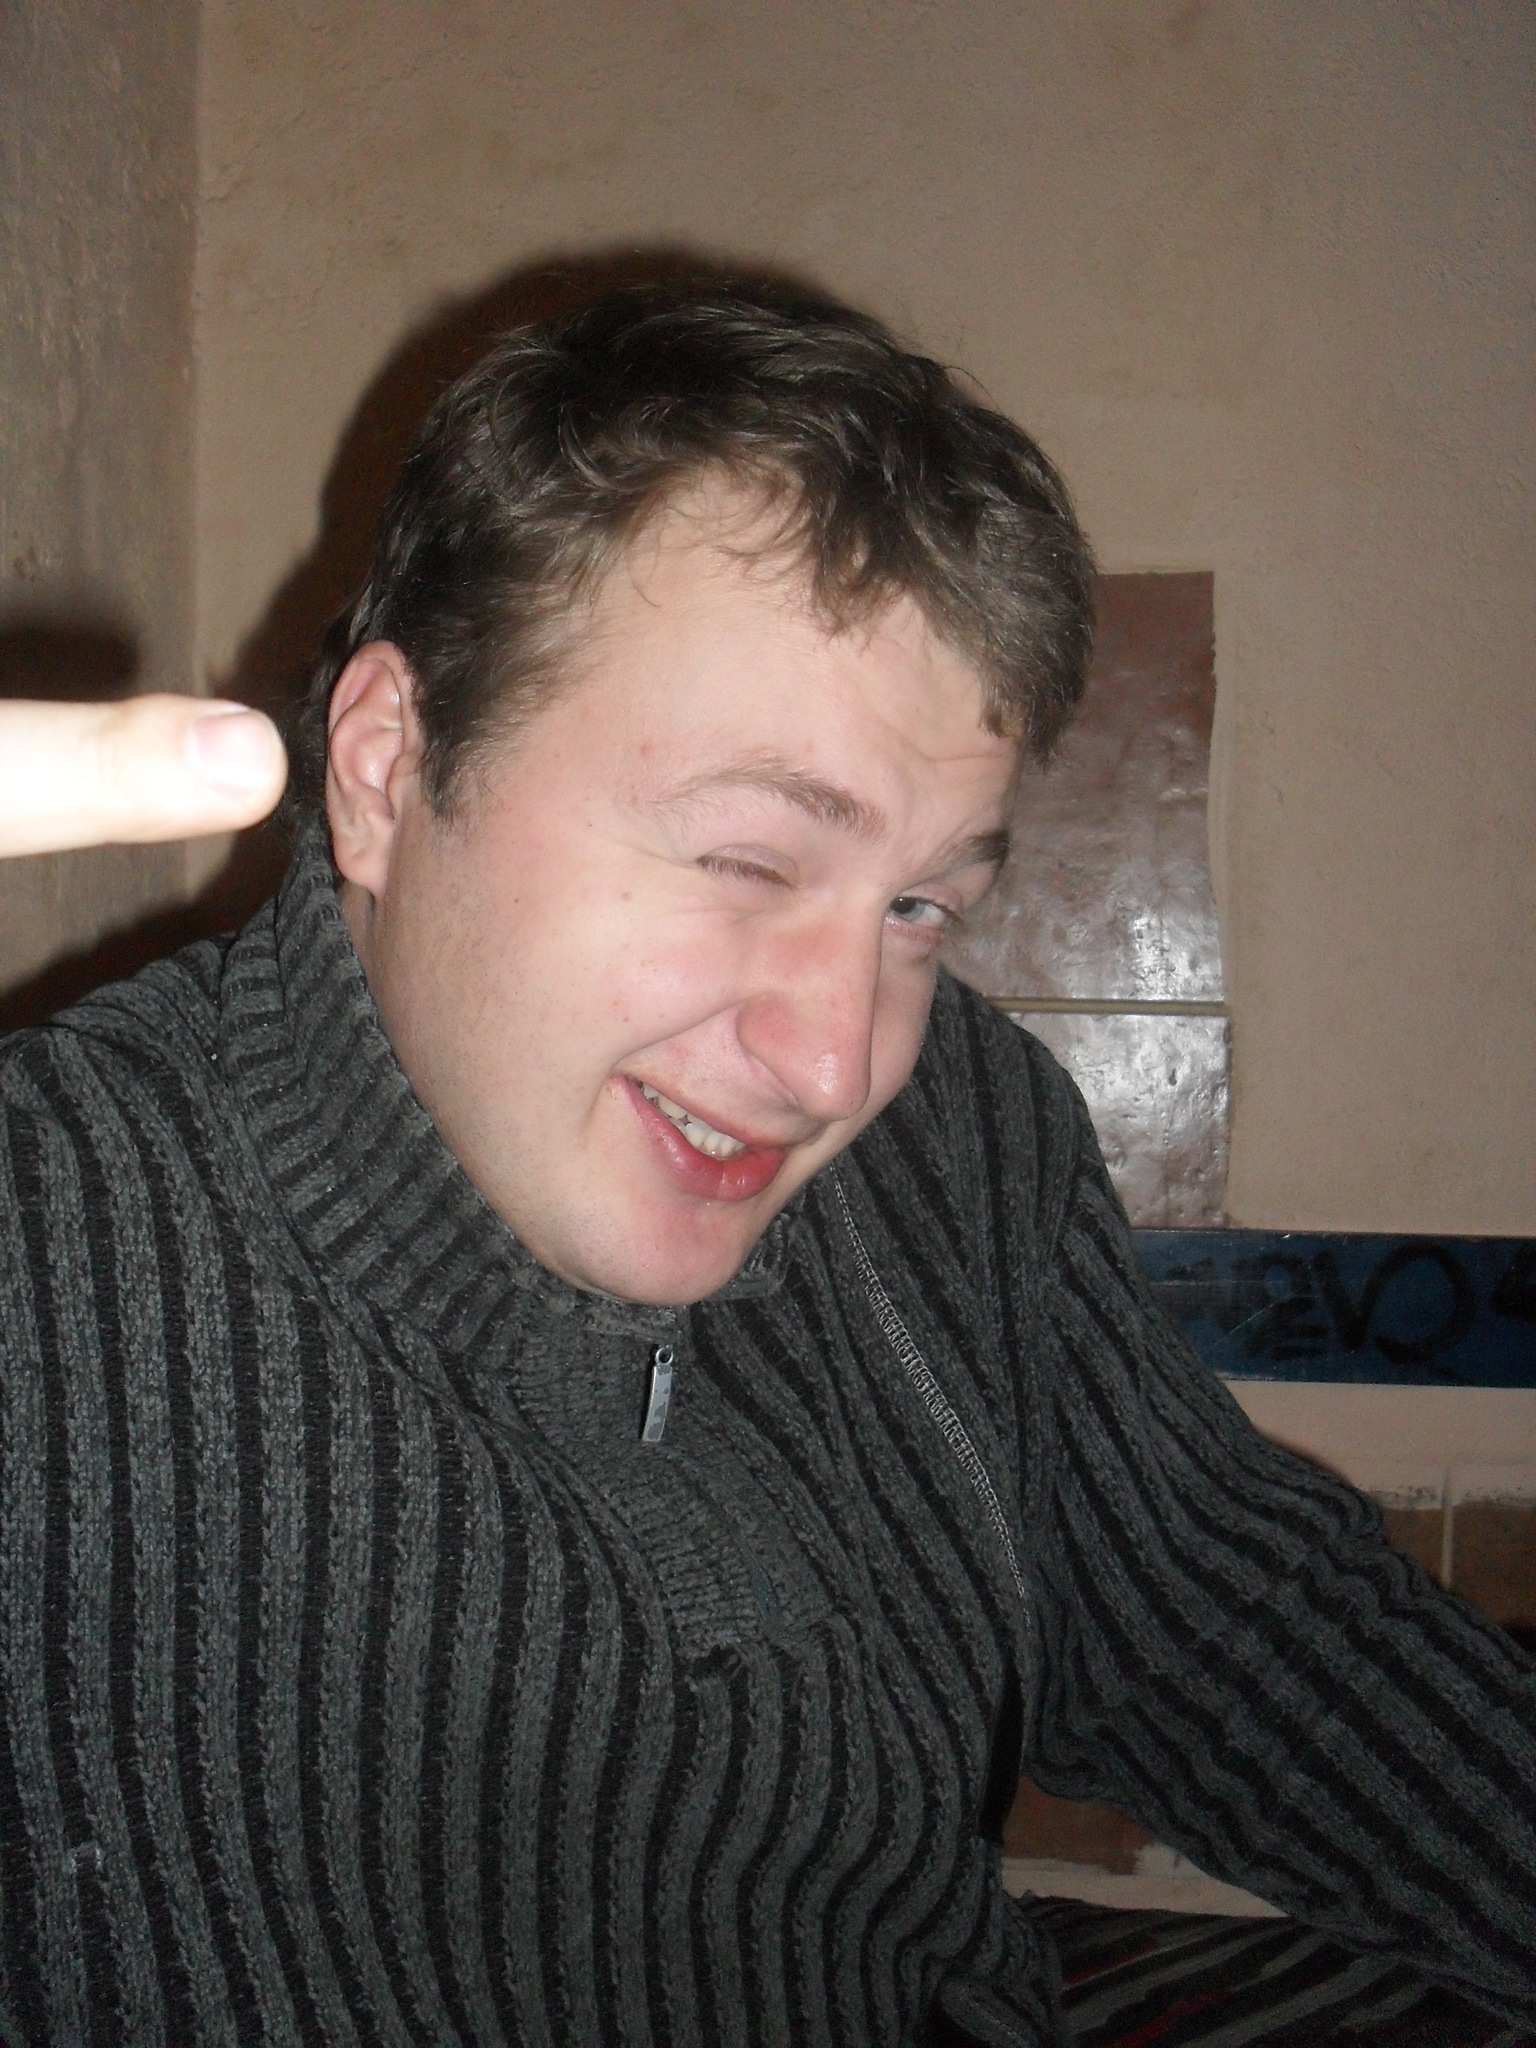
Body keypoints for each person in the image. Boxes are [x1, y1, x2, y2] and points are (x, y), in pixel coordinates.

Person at [0, 283, 1530, 2048]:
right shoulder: (52, 1248)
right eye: (744, 859)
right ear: (385, 771)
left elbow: (1226, 1626)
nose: (836, 1064)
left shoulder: (966, 1130)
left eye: (921, 906)